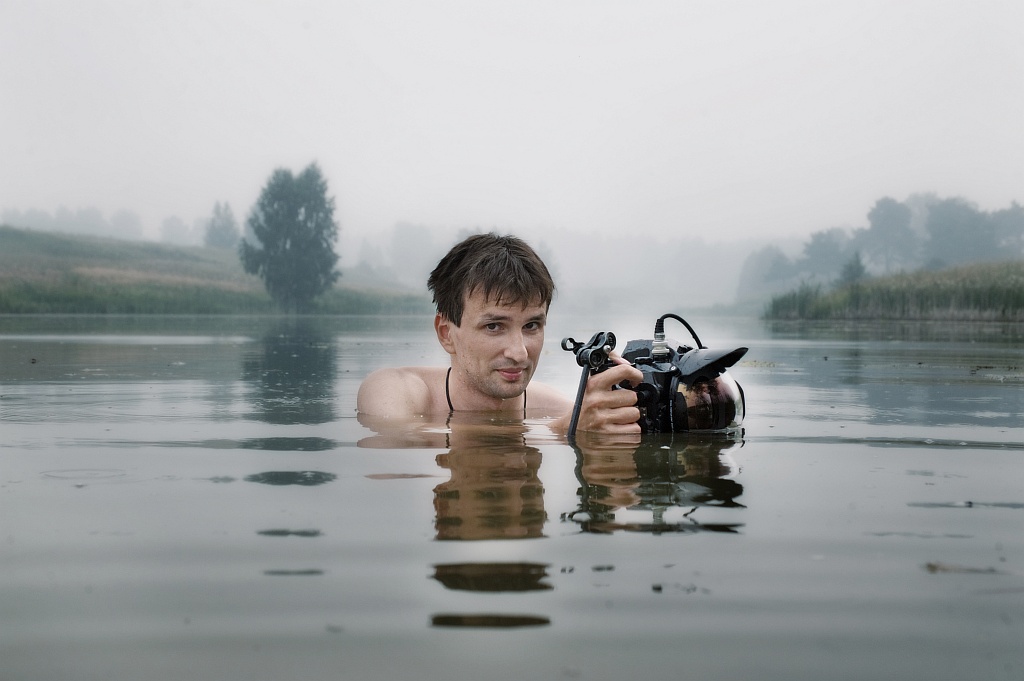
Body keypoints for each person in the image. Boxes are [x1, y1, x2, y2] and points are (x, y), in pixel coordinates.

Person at [356, 232, 643, 434]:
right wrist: (564, 430)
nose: (519, 353)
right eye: (494, 326)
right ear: (446, 333)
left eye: (531, 326)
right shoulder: (396, 390)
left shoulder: (559, 408)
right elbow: (396, 442)